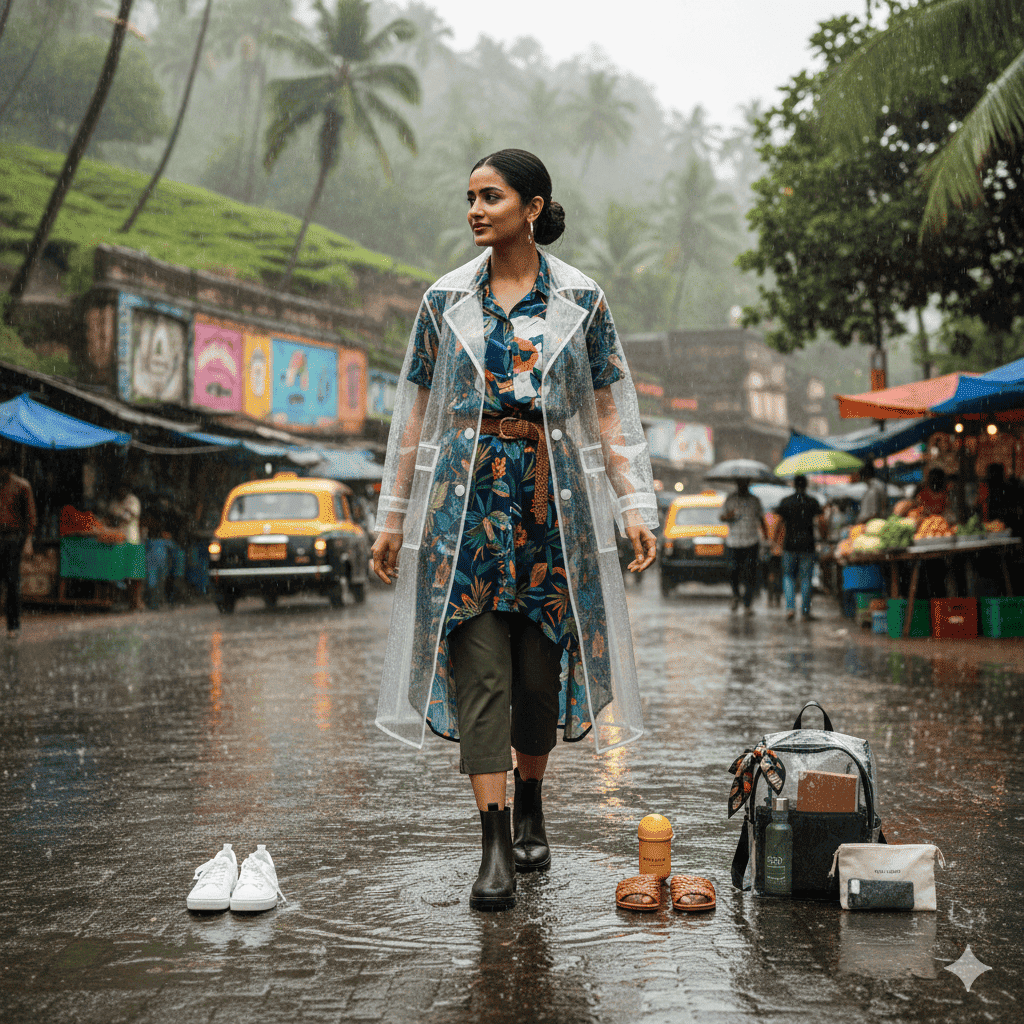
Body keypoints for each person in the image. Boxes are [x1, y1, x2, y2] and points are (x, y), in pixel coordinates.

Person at [370, 149, 658, 912]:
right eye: (468, 197)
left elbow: (608, 412)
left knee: (538, 676)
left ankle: (531, 797)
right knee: (483, 677)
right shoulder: (442, 302)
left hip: (550, 509)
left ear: (532, 207)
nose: (474, 210)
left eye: (490, 197)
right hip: (463, 510)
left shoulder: (583, 301)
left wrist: (635, 508)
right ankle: (494, 839)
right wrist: (392, 517)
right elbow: (413, 418)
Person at [777, 475, 824, 622]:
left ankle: (790, 609)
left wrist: (774, 541)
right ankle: (805, 612)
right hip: (807, 546)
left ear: (794, 485)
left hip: (789, 545)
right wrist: (824, 536)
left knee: (788, 577)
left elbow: (779, 524)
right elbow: (821, 521)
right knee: (806, 579)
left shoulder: (786, 502)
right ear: (806, 485)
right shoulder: (812, 502)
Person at [0, 455, 37, 639]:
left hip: (13, 539)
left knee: (12, 582)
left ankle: (13, 625)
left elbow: (30, 518)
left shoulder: (22, 486)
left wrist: (28, 542)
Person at [719, 479, 766, 615]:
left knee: (750, 573)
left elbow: (762, 519)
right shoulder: (730, 499)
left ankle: (747, 604)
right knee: (733, 570)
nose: (743, 487)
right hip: (734, 542)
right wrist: (730, 515)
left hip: (751, 541)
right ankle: (735, 595)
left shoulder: (755, 500)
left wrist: (766, 537)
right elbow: (721, 517)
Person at [107, 482, 144, 610]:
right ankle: (115, 601)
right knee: (116, 573)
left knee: (134, 575)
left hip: (132, 540)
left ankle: (135, 602)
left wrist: (117, 516)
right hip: (117, 541)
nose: (120, 492)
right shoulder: (114, 502)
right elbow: (111, 517)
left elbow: (127, 517)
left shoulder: (133, 500)